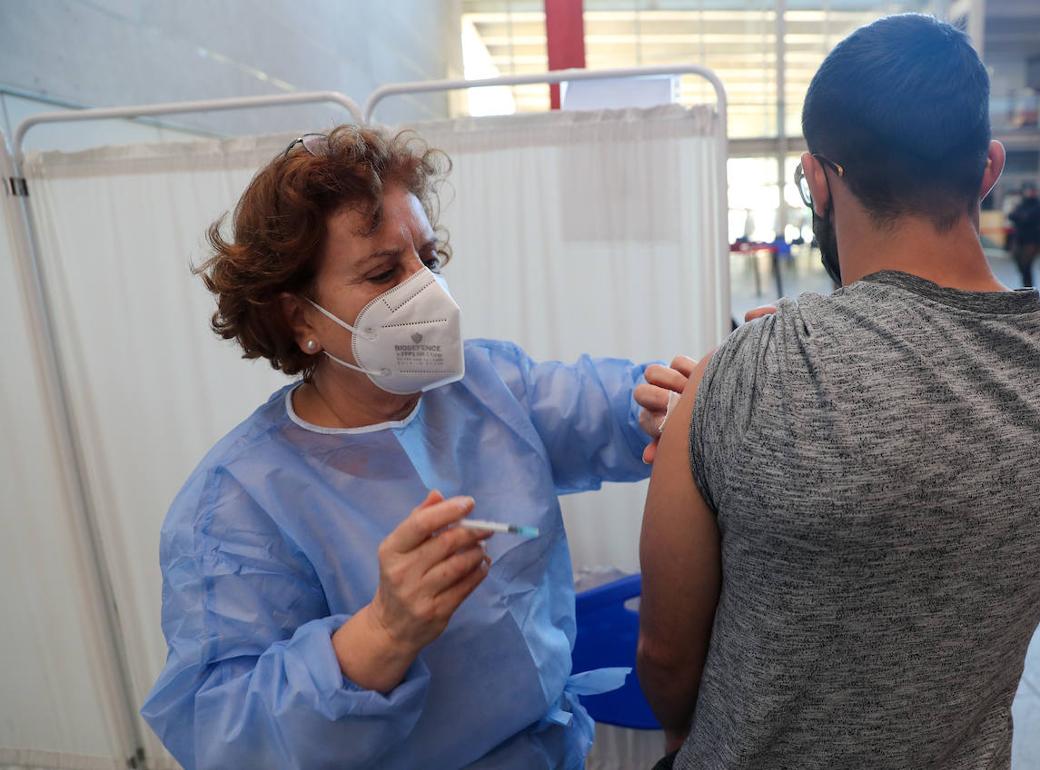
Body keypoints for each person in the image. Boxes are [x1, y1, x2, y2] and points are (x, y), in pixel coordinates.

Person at [636, 15, 1040, 770]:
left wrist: (717, 413)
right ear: (987, 170)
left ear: (818, 181)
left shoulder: (747, 374)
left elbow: (666, 660)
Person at [140, 126, 692, 769]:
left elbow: (607, 403)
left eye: (426, 261)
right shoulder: (240, 501)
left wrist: (689, 393)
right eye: (383, 273)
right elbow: (224, 735)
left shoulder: (485, 387)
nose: (425, 291)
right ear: (300, 319)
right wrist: (381, 634)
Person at [1008, 181, 1040, 287]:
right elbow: (1011, 215)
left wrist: (1020, 216)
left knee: (1026, 263)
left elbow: (1027, 217)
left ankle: (1028, 286)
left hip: (1032, 240)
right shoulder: (1022, 203)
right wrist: (1021, 216)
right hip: (1019, 238)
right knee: (1017, 258)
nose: (1029, 193)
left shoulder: (1037, 205)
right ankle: (1026, 284)